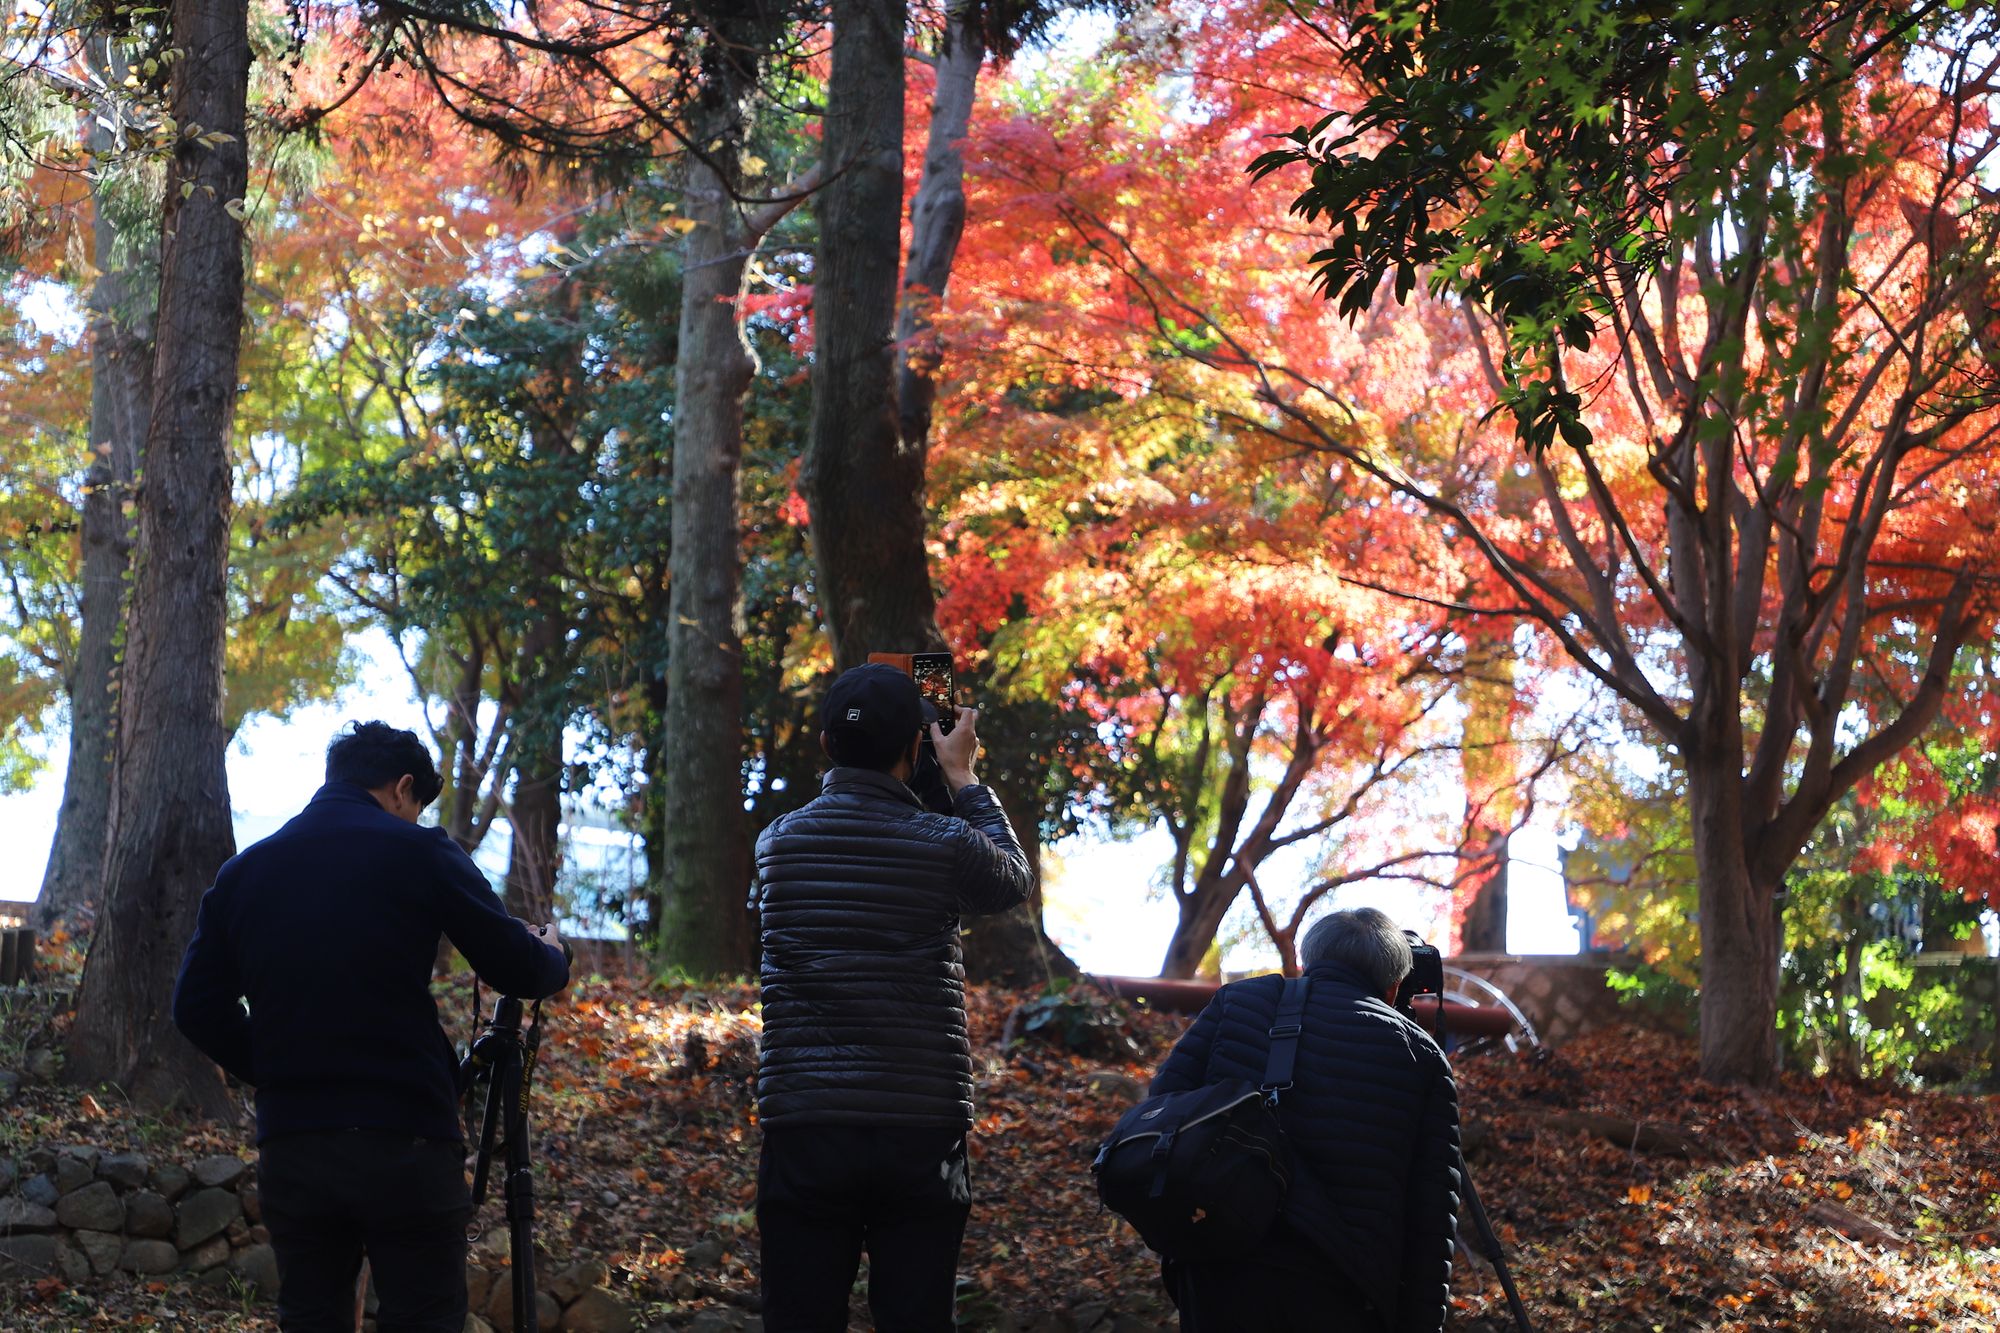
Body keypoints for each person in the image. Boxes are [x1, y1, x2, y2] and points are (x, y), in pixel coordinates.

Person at [173, 721, 570, 1333]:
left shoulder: (246, 872)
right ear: (401, 788)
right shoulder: (419, 851)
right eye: (414, 807)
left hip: (295, 1143)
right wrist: (554, 955)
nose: (410, 818)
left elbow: (195, 1006)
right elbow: (515, 965)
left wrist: (278, 1068)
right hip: (405, 1137)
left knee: (310, 1318)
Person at [750, 663, 1034, 1332]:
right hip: (919, 1126)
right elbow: (1011, 879)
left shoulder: (776, 844)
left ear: (825, 744)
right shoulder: (944, 842)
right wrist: (961, 778)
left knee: (798, 1315)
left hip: (805, 1118)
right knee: (917, 1315)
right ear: (916, 745)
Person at [1147, 908, 1460, 1333]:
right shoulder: (1420, 1055)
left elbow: (1163, 1108)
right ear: (1394, 986)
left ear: (1307, 960)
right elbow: (1431, 1216)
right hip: (1344, 1285)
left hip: (1218, 1265)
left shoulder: (1239, 1001)